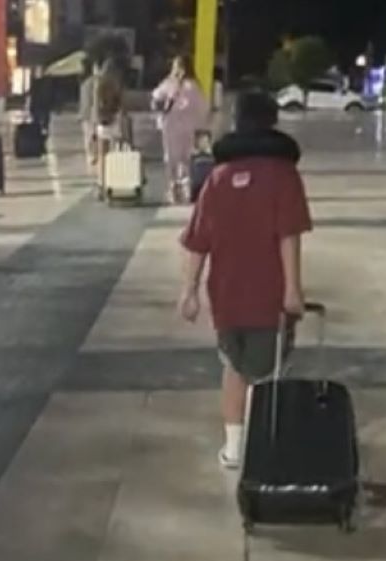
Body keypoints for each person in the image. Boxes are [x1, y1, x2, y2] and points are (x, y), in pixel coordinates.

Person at [177, 91, 313, 469]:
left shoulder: (218, 178)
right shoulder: (284, 175)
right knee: (270, 372)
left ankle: (234, 448)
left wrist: (188, 292)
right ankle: (265, 443)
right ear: (272, 121)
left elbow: (197, 241)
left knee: (234, 367)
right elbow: (289, 235)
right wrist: (293, 289)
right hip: (269, 293)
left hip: (226, 293)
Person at [152, 55, 209, 204]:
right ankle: (182, 190)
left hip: (174, 127)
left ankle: (177, 190)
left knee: (176, 159)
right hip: (182, 128)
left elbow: (156, 100)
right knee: (183, 159)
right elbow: (203, 109)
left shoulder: (173, 85)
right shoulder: (192, 86)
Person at [94, 58, 125, 197]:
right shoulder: (116, 84)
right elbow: (121, 105)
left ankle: (101, 184)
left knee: (102, 155)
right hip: (115, 121)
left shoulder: (99, 85)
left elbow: (95, 106)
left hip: (102, 122)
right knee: (114, 154)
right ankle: (114, 181)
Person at [78, 61, 100, 167]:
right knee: (93, 136)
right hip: (91, 114)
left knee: (89, 136)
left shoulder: (85, 83)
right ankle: (94, 155)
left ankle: (92, 155)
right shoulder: (95, 82)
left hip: (87, 114)